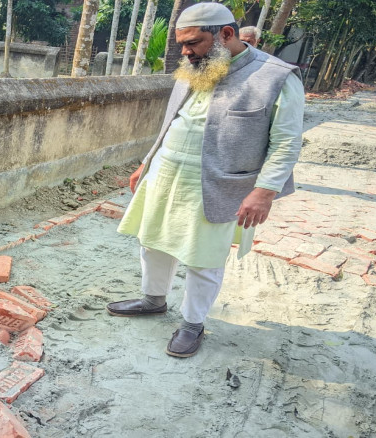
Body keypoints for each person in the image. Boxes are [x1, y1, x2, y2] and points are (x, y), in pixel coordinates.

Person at [107, 2, 304, 358]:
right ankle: (153, 299)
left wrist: (263, 192)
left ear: (226, 34)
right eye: (182, 44)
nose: (185, 51)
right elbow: (174, 119)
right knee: (152, 240)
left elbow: (287, 142)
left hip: (219, 181)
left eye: (193, 42)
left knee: (203, 257)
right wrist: (147, 162)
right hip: (167, 171)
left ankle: (192, 324)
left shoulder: (276, 77)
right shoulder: (196, 64)